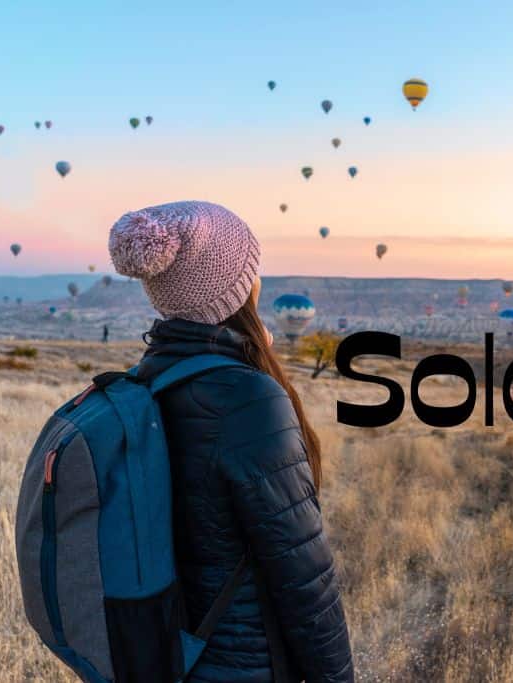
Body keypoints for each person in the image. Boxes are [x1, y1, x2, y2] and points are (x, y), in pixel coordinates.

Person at [108, 201, 353, 682]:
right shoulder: (246, 397)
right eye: (252, 269)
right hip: (244, 664)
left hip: (171, 656)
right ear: (237, 288)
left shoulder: (148, 380)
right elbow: (303, 574)